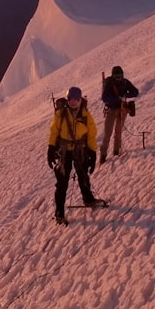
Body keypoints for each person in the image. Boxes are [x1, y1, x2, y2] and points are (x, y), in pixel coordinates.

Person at [47, 86, 100, 224]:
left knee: (83, 175)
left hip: (80, 150)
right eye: (71, 99)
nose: (73, 102)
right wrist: (51, 148)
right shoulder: (61, 114)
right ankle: (59, 211)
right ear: (68, 99)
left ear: (80, 99)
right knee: (62, 183)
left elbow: (91, 134)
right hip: (64, 152)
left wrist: (92, 152)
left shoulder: (85, 114)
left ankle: (88, 199)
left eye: (76, 100)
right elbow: (54, 131)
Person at [99, 66, 139, 163]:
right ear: (113, 76)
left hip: (122, 109)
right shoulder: (109, 83)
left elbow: (135, 92)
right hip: (112, 110)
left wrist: (126, 95)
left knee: (118, 131)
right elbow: (104, 98)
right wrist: (118, 99)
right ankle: (103, 155)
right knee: (108, 133)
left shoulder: (124, 82)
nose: (119, 78)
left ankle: (116, 151)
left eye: (120, 76)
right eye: (117, 76)